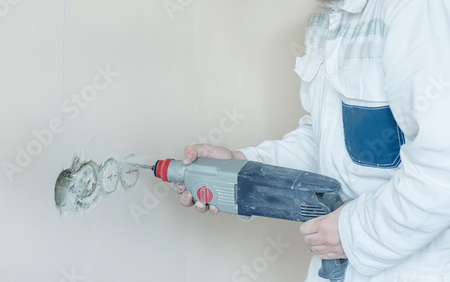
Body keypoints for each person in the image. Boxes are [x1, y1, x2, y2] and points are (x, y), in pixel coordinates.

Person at [173, 0, 450, 281]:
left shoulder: (415, 10)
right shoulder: (327, 14)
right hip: (338, 265)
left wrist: (353, 232)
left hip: (416, 268)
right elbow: (324, 142)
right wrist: (242, 166)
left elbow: (442, 164)